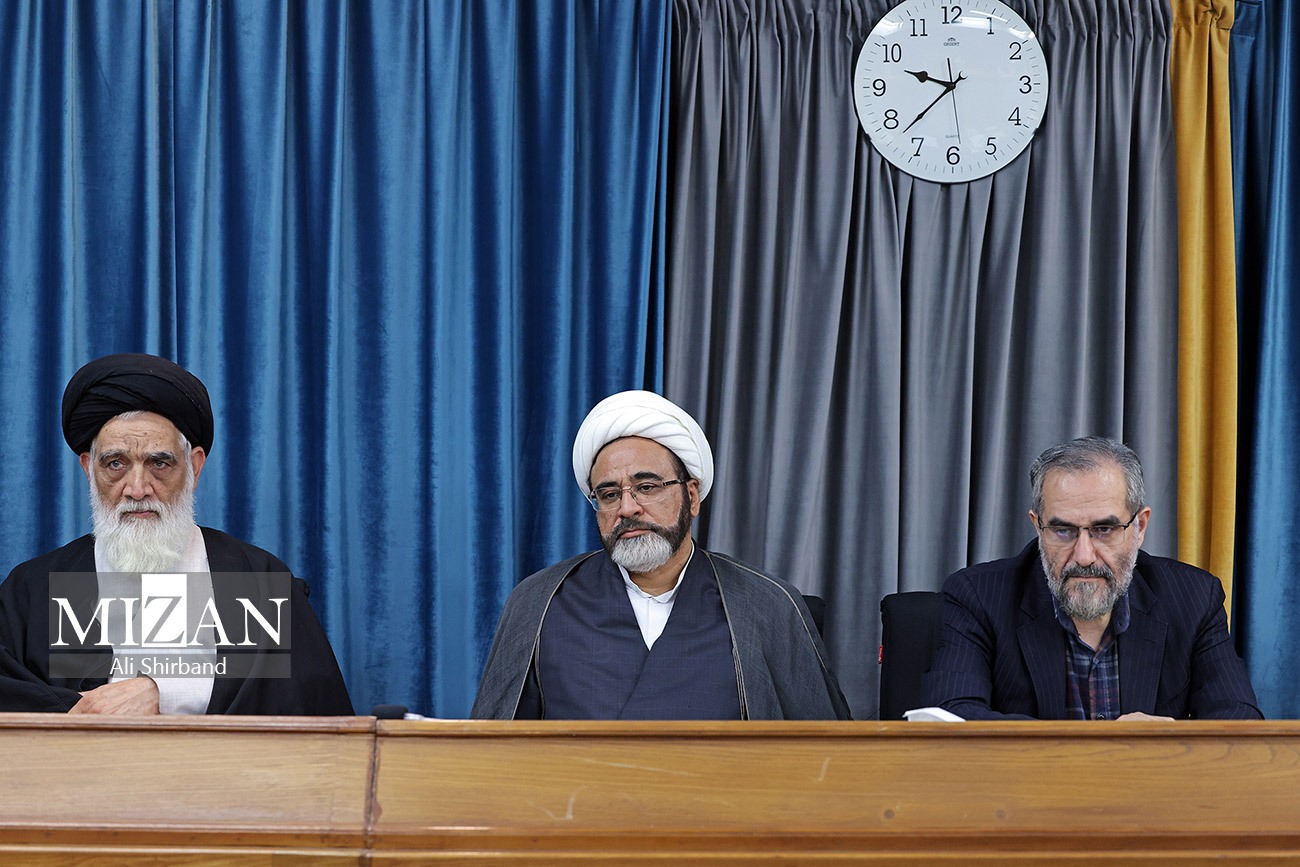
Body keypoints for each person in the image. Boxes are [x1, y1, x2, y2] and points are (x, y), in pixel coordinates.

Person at [0, 353, 353, 715]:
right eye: (116, 463)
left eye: (159, 463)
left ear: (194, 467)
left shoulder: (257, 582)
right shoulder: (34, 589)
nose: (137, 489)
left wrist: (163, 690)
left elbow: (309, 705)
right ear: (89, 469)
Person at [472, 390, 850, 720]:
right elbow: (493, 753)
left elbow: (825, 755)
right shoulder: (538, 602)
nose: (628, 508)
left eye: (648, 487)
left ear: (691, 496)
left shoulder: (767, 603)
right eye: (609, 495)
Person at [924, 436, 1261, 720]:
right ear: (1038, 527)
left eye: (1104, 529)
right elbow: (953, 718)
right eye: (1063, 530)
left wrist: (1164, 745)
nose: (1084, 556)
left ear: (1139, 527)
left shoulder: (1193, 598)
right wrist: (1099, 751)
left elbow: (1239, 723)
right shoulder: (978, 596)